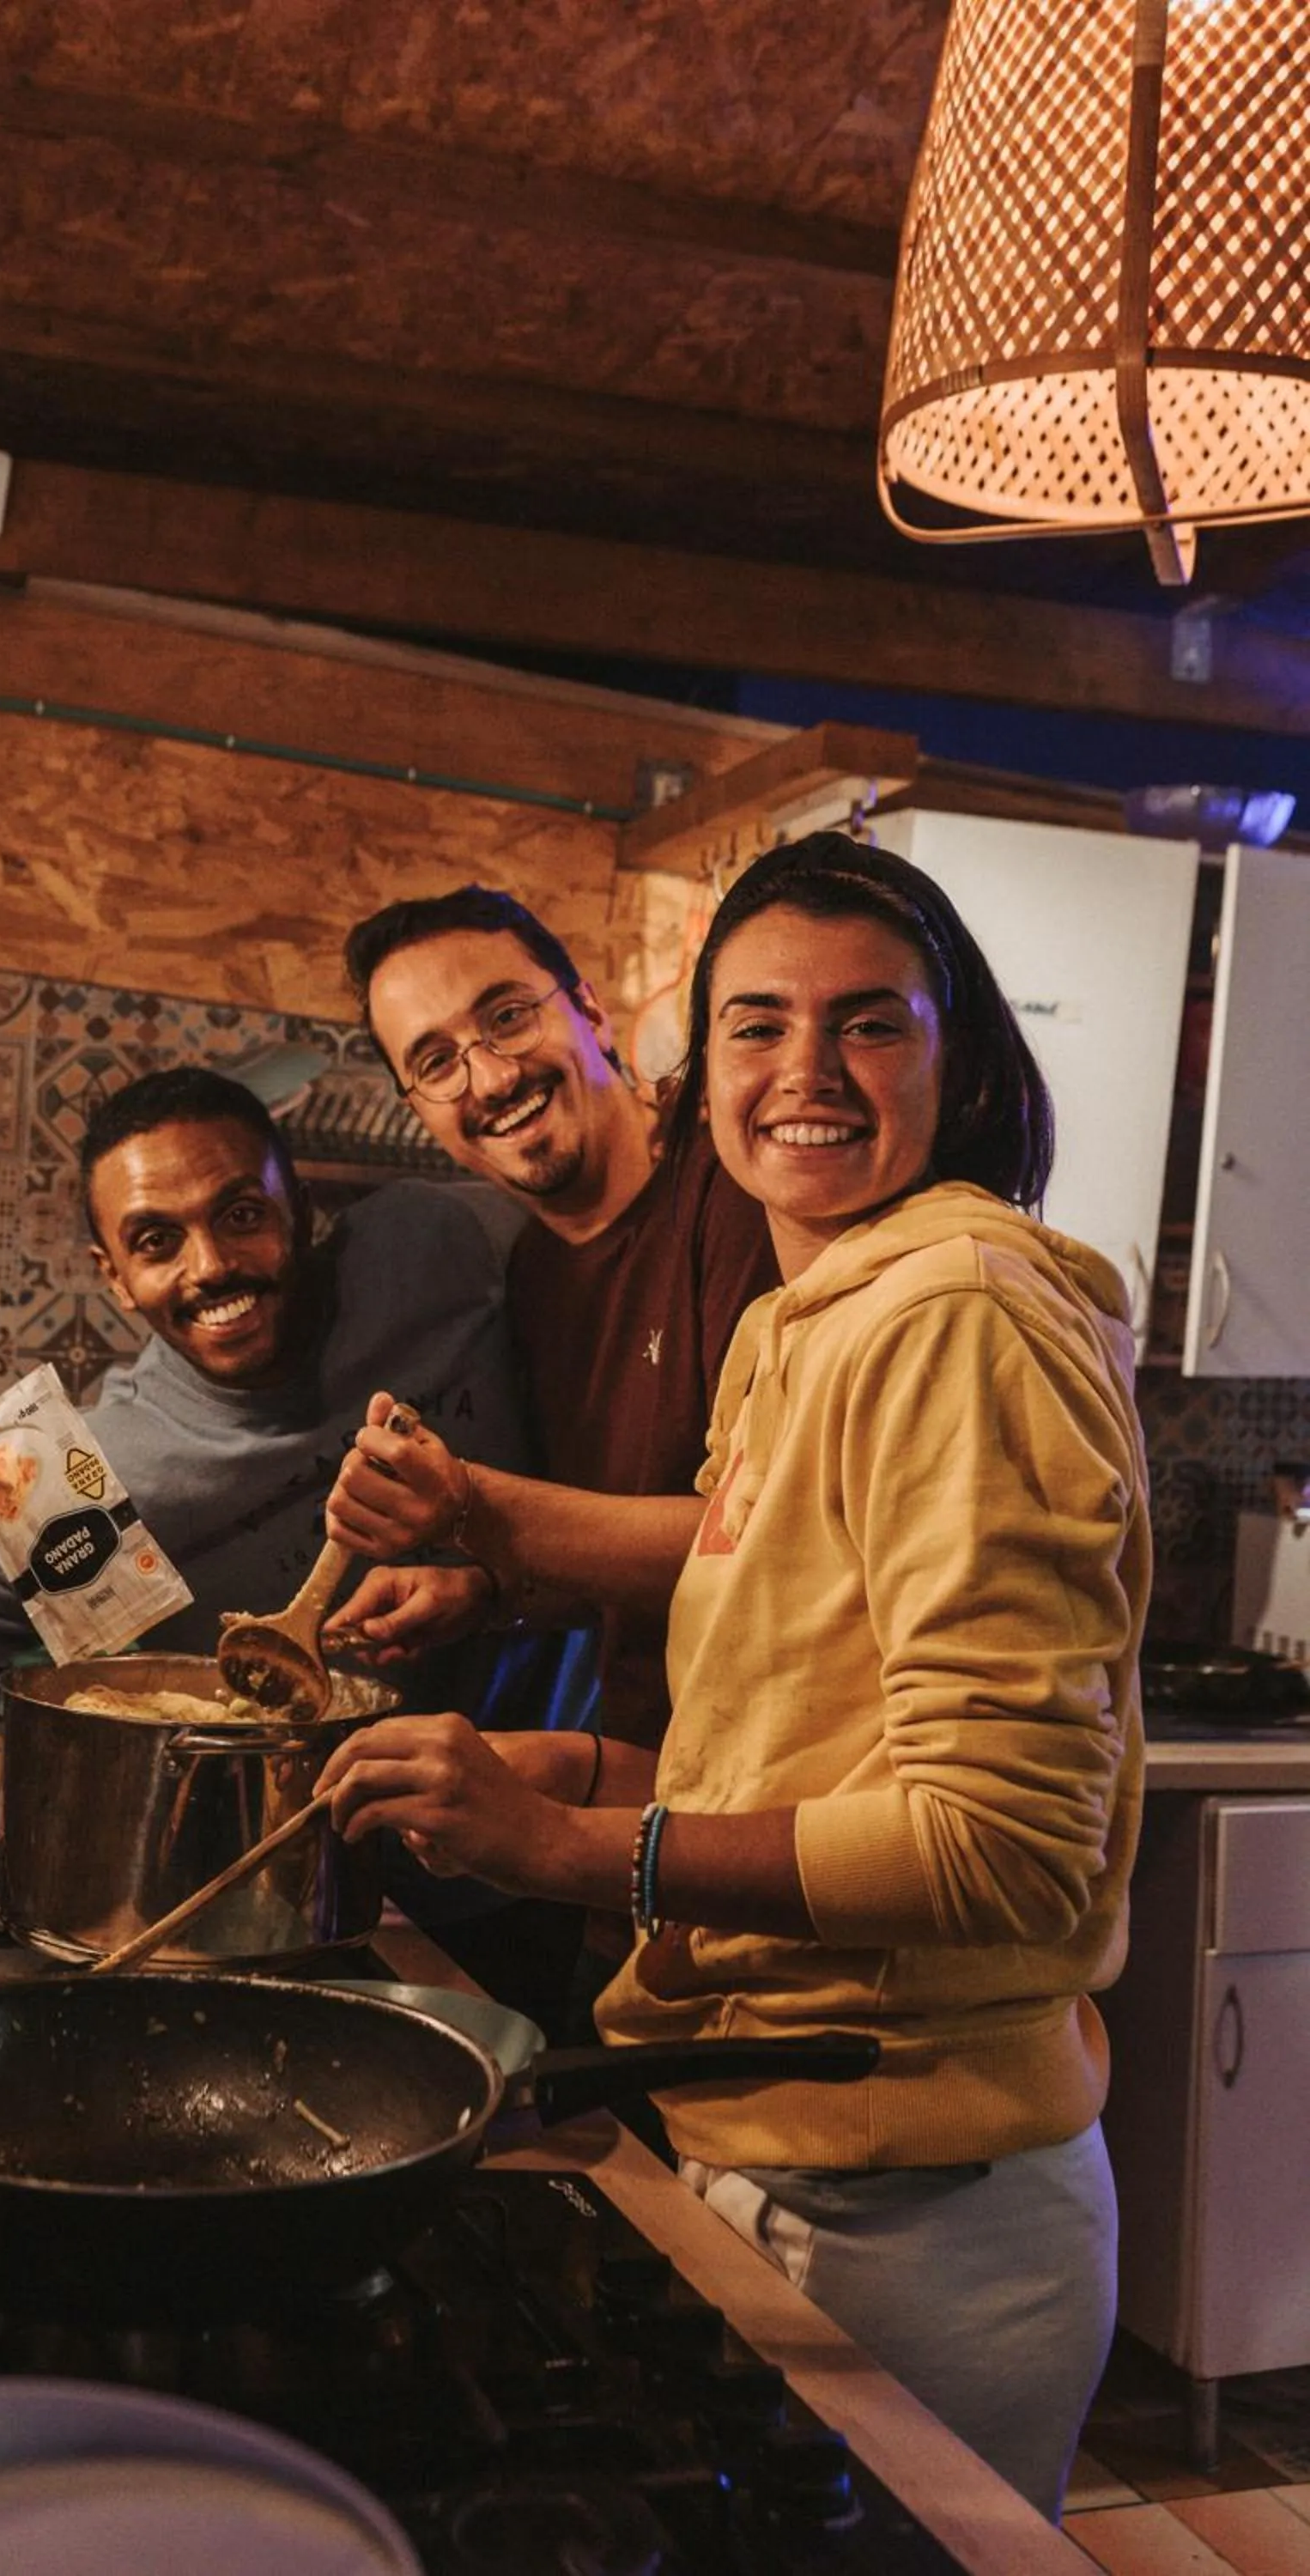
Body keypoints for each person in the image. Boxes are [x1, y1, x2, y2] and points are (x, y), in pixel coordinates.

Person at [318, 831, 1149, 2524]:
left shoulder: (960, 1311)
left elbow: (995, 1844)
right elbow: (809, 1740)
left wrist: (577, 1857)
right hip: (777, 2150)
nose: (804, 1072)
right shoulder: (800, 1326)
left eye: (868, 1024)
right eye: (760, 1025)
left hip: (918, 2200)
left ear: (961, 1059)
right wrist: (583, 1776)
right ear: (705, 1074)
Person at [0, 1063, 538, 1725]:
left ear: (303, 1212)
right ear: (115, 1277)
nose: (212, 1266)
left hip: (575, 1772)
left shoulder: (439, 1246)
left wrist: (489, 1584)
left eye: (242, 1215)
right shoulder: (85, 1479)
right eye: (157, 1241)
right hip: (288, 1834)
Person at [336, 885, 775, 1749]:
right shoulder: (536, 1277)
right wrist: (486, 1593)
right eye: (434, 1063)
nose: (493, 1078)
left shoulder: (740, 1192)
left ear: (589, 1011)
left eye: (506, 1016)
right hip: (655, 1780)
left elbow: (764, 1544)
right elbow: (622, 1550)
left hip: (787, 1798)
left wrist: (468, 1507)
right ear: (418, 1108)